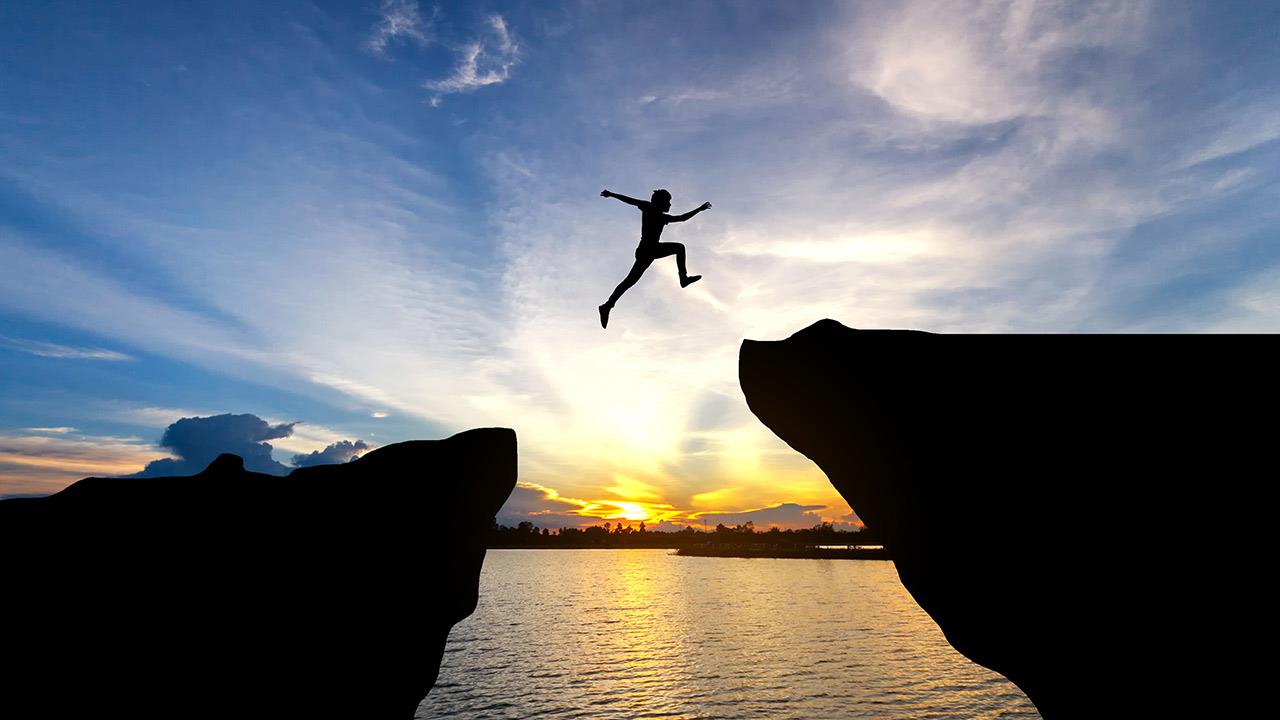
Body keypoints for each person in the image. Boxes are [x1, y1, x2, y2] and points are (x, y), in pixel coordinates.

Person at [597, 188, 712, 329]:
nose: (670, 205)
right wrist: (611, 194)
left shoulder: (663, 217)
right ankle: (683, 279)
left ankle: (607, 306)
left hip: (652, 250)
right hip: (647, 249)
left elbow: (681, 218)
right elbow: (629, 200)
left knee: (630, 281)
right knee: (630, 280)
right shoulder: (648, 207)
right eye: (668, 202)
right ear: (660, 202)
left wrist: (700, 209)